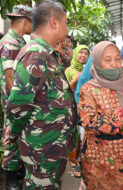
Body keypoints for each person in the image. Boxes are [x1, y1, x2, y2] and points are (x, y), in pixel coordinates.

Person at [6, 0, 77, 189]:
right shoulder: (36, 54)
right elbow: (18, 106)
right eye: (66, 22)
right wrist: (14, 135)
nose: (67, 28)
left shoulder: (46, 53)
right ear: (54, 22)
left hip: (52, 146)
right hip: (42, 148)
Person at [78, 41, 123, 189]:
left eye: (118, 58)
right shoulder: (89, 89)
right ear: (97, 62)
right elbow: (90, 123)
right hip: (103, 158)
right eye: (107, 60)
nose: (114, 63)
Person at [0, 5, 32, 190]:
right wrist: (17, 104)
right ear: (25, 21)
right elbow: (11, 77)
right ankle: (11, 179)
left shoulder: (18, 41)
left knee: (17, 134)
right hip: (12, 99)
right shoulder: (11, 42)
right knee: (11, 135)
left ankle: (17, 170)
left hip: (16, 99)